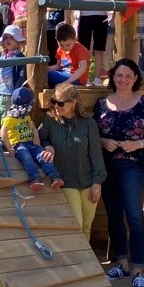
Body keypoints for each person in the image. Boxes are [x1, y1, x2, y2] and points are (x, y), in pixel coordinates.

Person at [94, 58, 144, 287]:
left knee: (135, 216)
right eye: (119, 75)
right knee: (113, 215)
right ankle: (122, 265)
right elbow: (92, 135)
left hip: (133, 165)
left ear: (135, 78)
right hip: (106, 166)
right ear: (112, 77)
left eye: (128, 76)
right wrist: (104, 141)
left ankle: (137, 271)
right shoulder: (102, 104)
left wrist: (137, 144)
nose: (123, 80)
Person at [39, 83, 107, 241]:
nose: (56, 106)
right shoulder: (49, 121)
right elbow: (39, 140)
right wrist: (48, 146)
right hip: (66, 180)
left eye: (61, 103)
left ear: (73, 103)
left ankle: (85, 263)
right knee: (76, 223)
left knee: (86, 226)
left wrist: (97, 182)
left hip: (88, 180)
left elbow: (96, 153)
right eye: (54, 101)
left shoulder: (89, 123)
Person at [0, 87, 64, 191]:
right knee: (27, 159)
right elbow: (3, 132)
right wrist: (8, 147)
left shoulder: (25, 116)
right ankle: (35, 178)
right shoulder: (10, 118)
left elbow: (33, 127)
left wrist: (36, 136)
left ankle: (54, 176)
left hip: (31, 143)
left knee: (43, 157)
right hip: (19, 145)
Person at [71, 0, 112, 86]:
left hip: (101, 17)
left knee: (99, 49)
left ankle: (98, 77)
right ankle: (85, 78)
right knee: (85, 49)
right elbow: (75, 0)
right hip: (85, 17)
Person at [48, 22, 90, 87]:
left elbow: (83, 68)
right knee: (44, 74)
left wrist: (67, 82)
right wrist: (47, 68)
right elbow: (58, 66)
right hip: (64, 74)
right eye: (61, 45)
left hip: (76, 79)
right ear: (56, 40)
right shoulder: (60, 49)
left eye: (68, 45)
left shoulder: (81, 50)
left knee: (50, 76)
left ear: (75, 40)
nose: (64, 48)